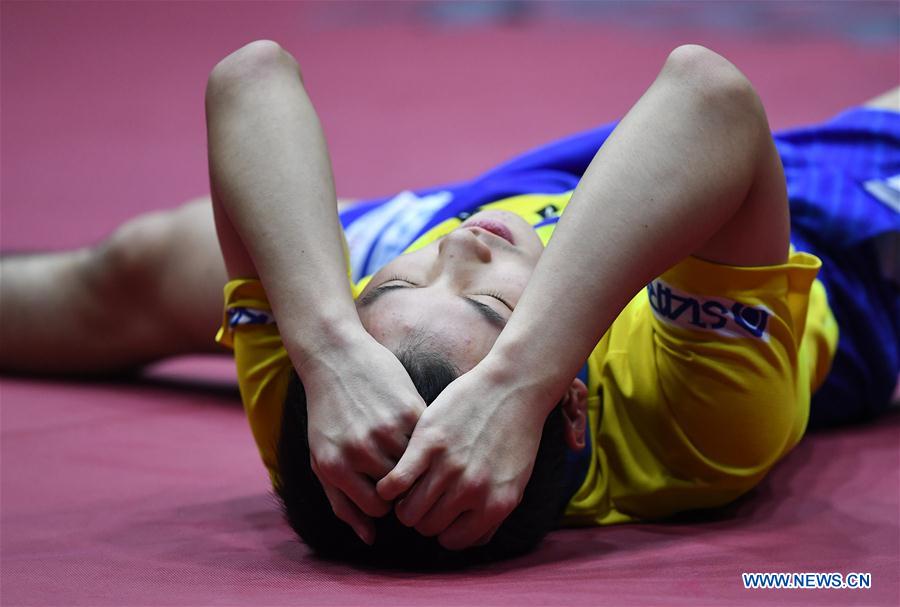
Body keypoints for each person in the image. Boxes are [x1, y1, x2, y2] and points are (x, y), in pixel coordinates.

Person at [2, 41, 897, 566]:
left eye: (387, 291)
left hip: (503, 233)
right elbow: (707, 97)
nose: (459, 250)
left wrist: (326, 340)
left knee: (139, 266)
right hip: (786, 231)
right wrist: (515, 376)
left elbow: (251, 77)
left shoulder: (333, 433)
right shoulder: (699, 430)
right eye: (492, 314)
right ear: (572, 404)